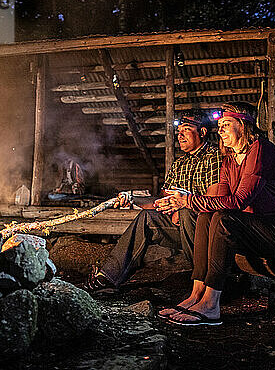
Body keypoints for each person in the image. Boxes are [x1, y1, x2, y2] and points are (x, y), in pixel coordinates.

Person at [156, 102, 275, 325]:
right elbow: (217, 203)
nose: (220, 130)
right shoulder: (229, 161)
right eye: (219, 125)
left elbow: (240, 200)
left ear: (243, 127)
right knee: (207, 217)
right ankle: (197, 294)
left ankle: (211, 305)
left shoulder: (260, 149)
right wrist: (183, 203)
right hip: (264, 229)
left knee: (224, 220)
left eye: (226, 124)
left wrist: (189, 200)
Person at [82, 111, 221, 293]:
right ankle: (107, 278)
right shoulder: (179, 164)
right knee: (147, 217)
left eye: (186, 129)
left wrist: (183, 206)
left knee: (186, 213)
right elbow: (161, 201)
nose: (180, 134)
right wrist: (132, 198)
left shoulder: (215, 157)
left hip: (205, 231)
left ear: (202, 132)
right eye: (179, 130)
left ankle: (207, 284)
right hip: (179, 229)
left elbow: (215, 200)